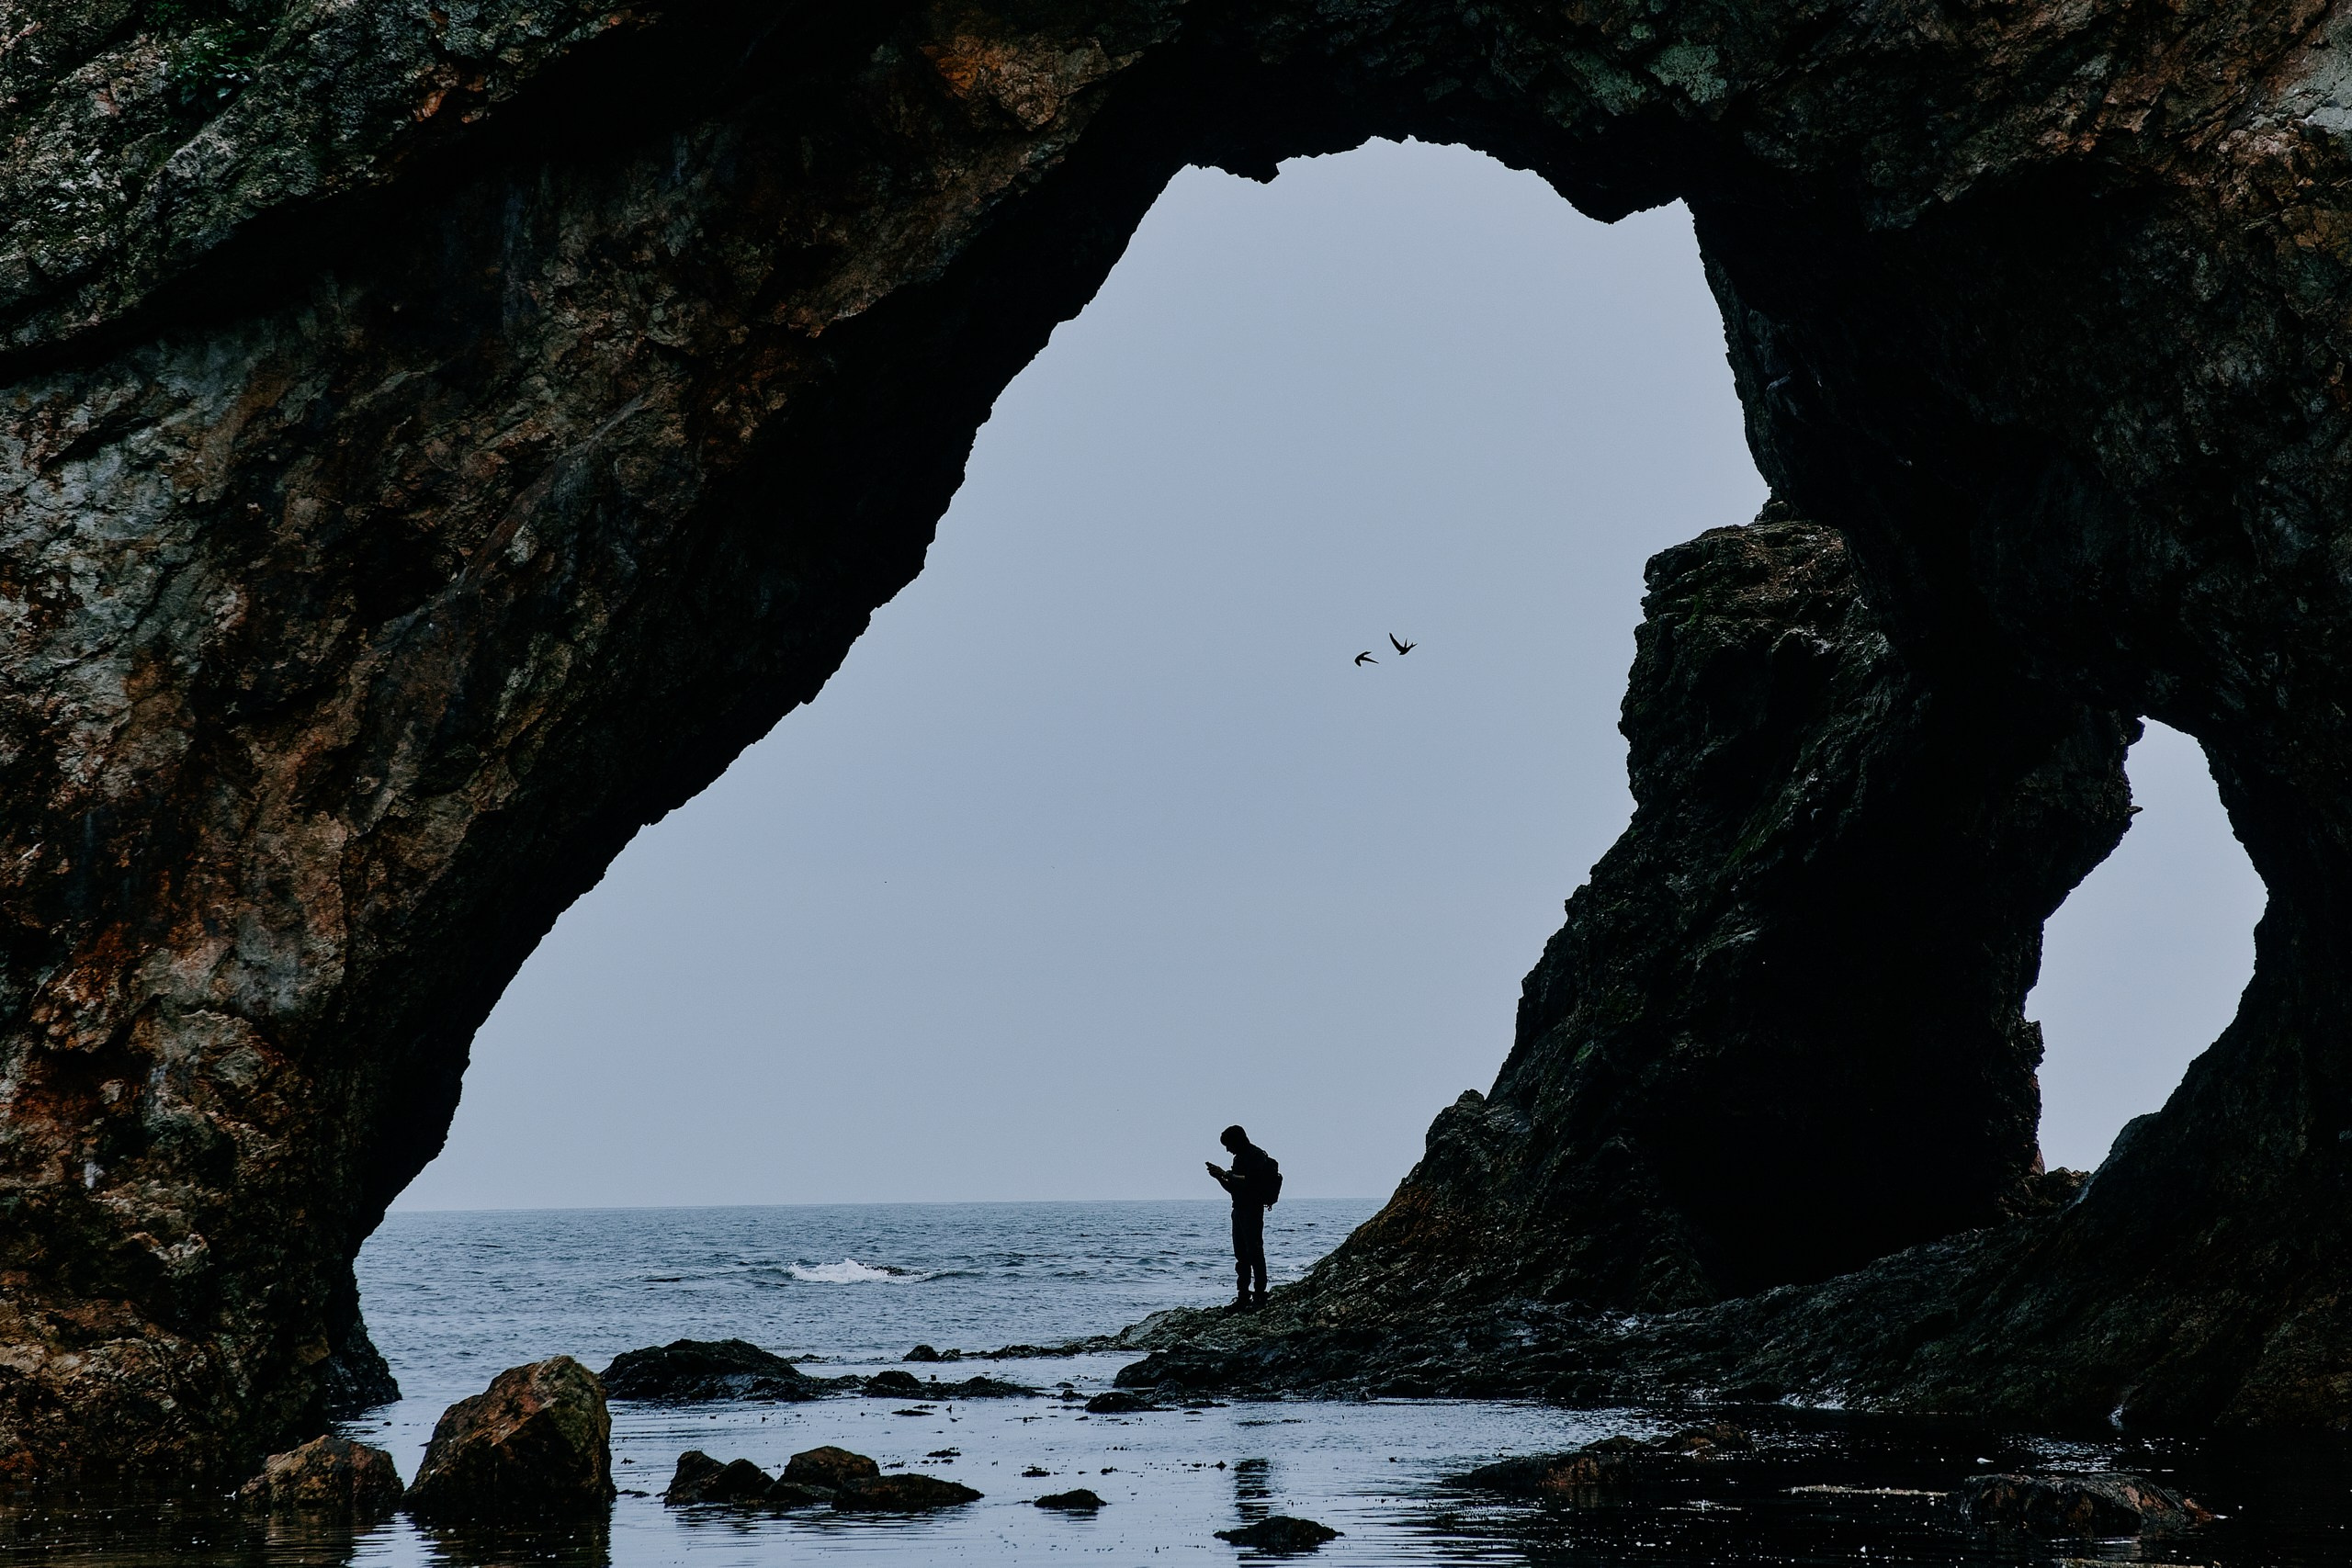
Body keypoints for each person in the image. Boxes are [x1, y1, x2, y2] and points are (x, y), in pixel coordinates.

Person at [1205, 1124, 1280, 1311]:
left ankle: (1260, 1297)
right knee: (1241, 1255)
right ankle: (1243, 1296)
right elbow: (1234, 1188)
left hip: (1252, 1210)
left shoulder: (1256, 1155)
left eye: (1228, 1145)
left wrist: (1226, 1174)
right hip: (1238, 1209)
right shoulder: (1239, 1158)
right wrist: (1220, 1178)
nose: (1228, 1150)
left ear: (1237, 1141)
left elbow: (1252, 1181)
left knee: (1255, 1253)